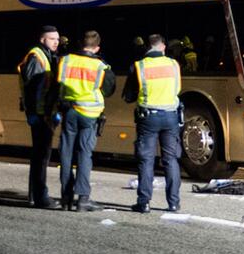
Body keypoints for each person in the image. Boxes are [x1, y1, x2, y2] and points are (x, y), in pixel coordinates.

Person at [55, 30, 115, 211]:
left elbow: (57, 84)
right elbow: (108, 89)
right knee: (84, 154)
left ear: (81, 44)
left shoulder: (66, 60)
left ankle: (66, 197)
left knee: (65, 154)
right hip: (89, 115)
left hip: (69, 111)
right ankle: (83, 199)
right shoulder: (101, 66)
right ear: (97, 48)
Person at [122, 34, 182, 213]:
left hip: (148, 117)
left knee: (146, 160)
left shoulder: (139, 66)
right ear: (163, 46)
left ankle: (144, 202)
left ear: (147, 47)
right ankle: (173, 203)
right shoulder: (173, 64)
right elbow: (177, 89)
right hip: (171, 116)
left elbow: (129, 96)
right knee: (171, 160)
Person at [16, 25, 60, 209]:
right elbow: (32, 88)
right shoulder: (36, 57)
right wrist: (34, 113)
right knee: (41, 156)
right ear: (43, 40)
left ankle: (35, 195)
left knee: (41, 155)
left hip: (44, 113)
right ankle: (40, 197)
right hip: (41, 115)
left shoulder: (46, 56)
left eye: (57, 39)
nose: (56, 42)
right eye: (52, 39)